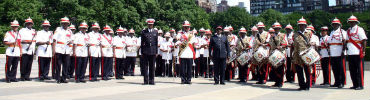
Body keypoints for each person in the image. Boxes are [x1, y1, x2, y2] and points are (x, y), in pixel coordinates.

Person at [346, 15, 367, 90]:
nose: (351, 23)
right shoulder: (348, 30)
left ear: (356, 22)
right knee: (352, 70)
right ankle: (355, 84)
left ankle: (360, 85)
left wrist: (364, 51)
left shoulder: (360, 29)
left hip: (358, 52)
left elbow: (364, 40)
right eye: (350, 22)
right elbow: (346, 41)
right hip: (350, 53)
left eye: (353, 22)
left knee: (359, 70)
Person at [292, 17, 312, 90]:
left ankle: (307, 85)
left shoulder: (309, 33)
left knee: (307, 70)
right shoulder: (295, 34)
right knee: (299, 71)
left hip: (306, 54)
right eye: (300, 25)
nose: (301, 26)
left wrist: (311, 43)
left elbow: (313, 42)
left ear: (305, 25)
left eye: (303, 25)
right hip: (297, 55)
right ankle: (301, 85)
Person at [53, 17, 73, 83]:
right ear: (62, 23)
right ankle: (58, 78)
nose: (65, 24)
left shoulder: (69, 31)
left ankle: (64, 78)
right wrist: (53, 50)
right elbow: (54, 40)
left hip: (67, 49)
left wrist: (71, 41)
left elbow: (72, 39)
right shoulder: (58, 30)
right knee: (58, 65)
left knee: (66, 65)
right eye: (64, 23)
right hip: (59, 48)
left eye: (66, 23)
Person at [328, 18, 347, 88]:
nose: (334, 25)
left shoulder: (342, 32)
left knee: (341, 69)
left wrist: (343, 51)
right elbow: (330, 42)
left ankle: (342, 82)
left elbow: (345, 42)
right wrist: (329, 51)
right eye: (333, 24)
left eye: (336, 24)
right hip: (333, 53)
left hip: (339, 52)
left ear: (339, 25)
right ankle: (337, 82)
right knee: (334, 69)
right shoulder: (332, 32)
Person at [269, 22, 288, 88]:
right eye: (275, 28)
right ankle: (276, 82)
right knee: (275, 69)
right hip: (274, 54)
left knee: (280, 69)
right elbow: (270, 44)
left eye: (277, 28)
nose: (276, 29)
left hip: (280, 53)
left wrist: (280, 47)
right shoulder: (272, 36)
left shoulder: (283, 35)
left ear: (279, 29)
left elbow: (285, 44)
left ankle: (280, 82)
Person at [141, 18, 158, 85]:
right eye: (149, 24)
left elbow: (156, 43)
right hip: (146, 51)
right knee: (145, 67)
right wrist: (142, 52)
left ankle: (151, 80)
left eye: (151, 24)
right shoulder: (144, 32)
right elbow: (142, 43)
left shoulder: (155, 32)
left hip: (153, 51)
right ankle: (145, 81)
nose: (150, 25)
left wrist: (156, 52)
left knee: (152, 67)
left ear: (153, 25)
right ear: (147, 24)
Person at [178, 20, 196, 84]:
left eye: (187, 27)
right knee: (182, 68)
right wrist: (179, 43)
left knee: (189, 68)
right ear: (183, 27)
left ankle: (188, 80)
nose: (186, 28)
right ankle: (183, 79)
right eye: (185, 27)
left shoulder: (192, 35)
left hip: (189, 53)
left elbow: (194, 44)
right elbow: (177, 42)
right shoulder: (180, 34)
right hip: (182, 53)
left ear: (189, 27)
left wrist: (194, 52)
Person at [19, 17, 36, 81]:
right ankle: (22, 76)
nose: (29, 24)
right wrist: (27, 42)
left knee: (29, 64)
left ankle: (27, 76)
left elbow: (35, 40)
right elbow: (20, 40)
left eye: (30, 23)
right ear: (26, 24)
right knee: (23, 64)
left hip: (31, 50)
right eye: (28, 23)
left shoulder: (34, 31)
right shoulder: (22, 30)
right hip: (24, 49)